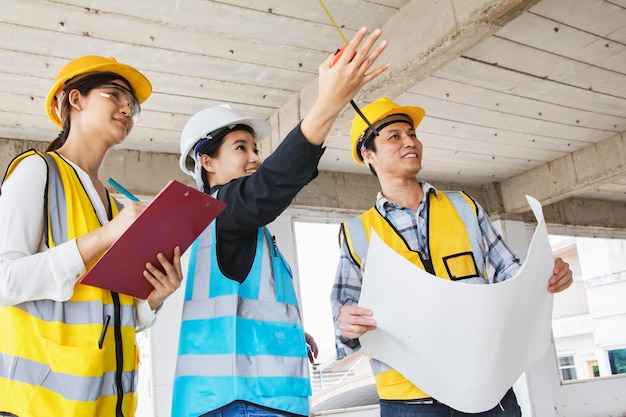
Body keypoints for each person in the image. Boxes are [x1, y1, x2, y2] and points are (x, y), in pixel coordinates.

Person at [172, 27, 389, 417]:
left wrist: (289, 336)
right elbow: (271, 185)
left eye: (255, 148)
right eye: (241, 148)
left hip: (253, 397)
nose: (254, 157)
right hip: (239, 401)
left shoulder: (245, 228)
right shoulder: (221, 210)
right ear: (207, 162)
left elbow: (249, 309)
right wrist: (328, 102)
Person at [330, 96, 574, 417]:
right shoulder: (357, 233)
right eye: (395, 136)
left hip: (485, 389)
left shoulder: (465, 208)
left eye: (412, 133)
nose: (410, 142)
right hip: (410, 400)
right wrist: (347, 325)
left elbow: (513, 276)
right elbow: (343, 324)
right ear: (368, 154)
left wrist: (548, 276)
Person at [0, 55, 183, 417]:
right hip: (38, 407)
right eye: (114, 94)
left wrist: (152, 301)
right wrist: (107, 235)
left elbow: (107, 312)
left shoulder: (114, 207)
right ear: (75, 100)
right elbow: (6, 282)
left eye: (132, 105)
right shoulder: (38, 171)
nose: (127, 107)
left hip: (107, 406)